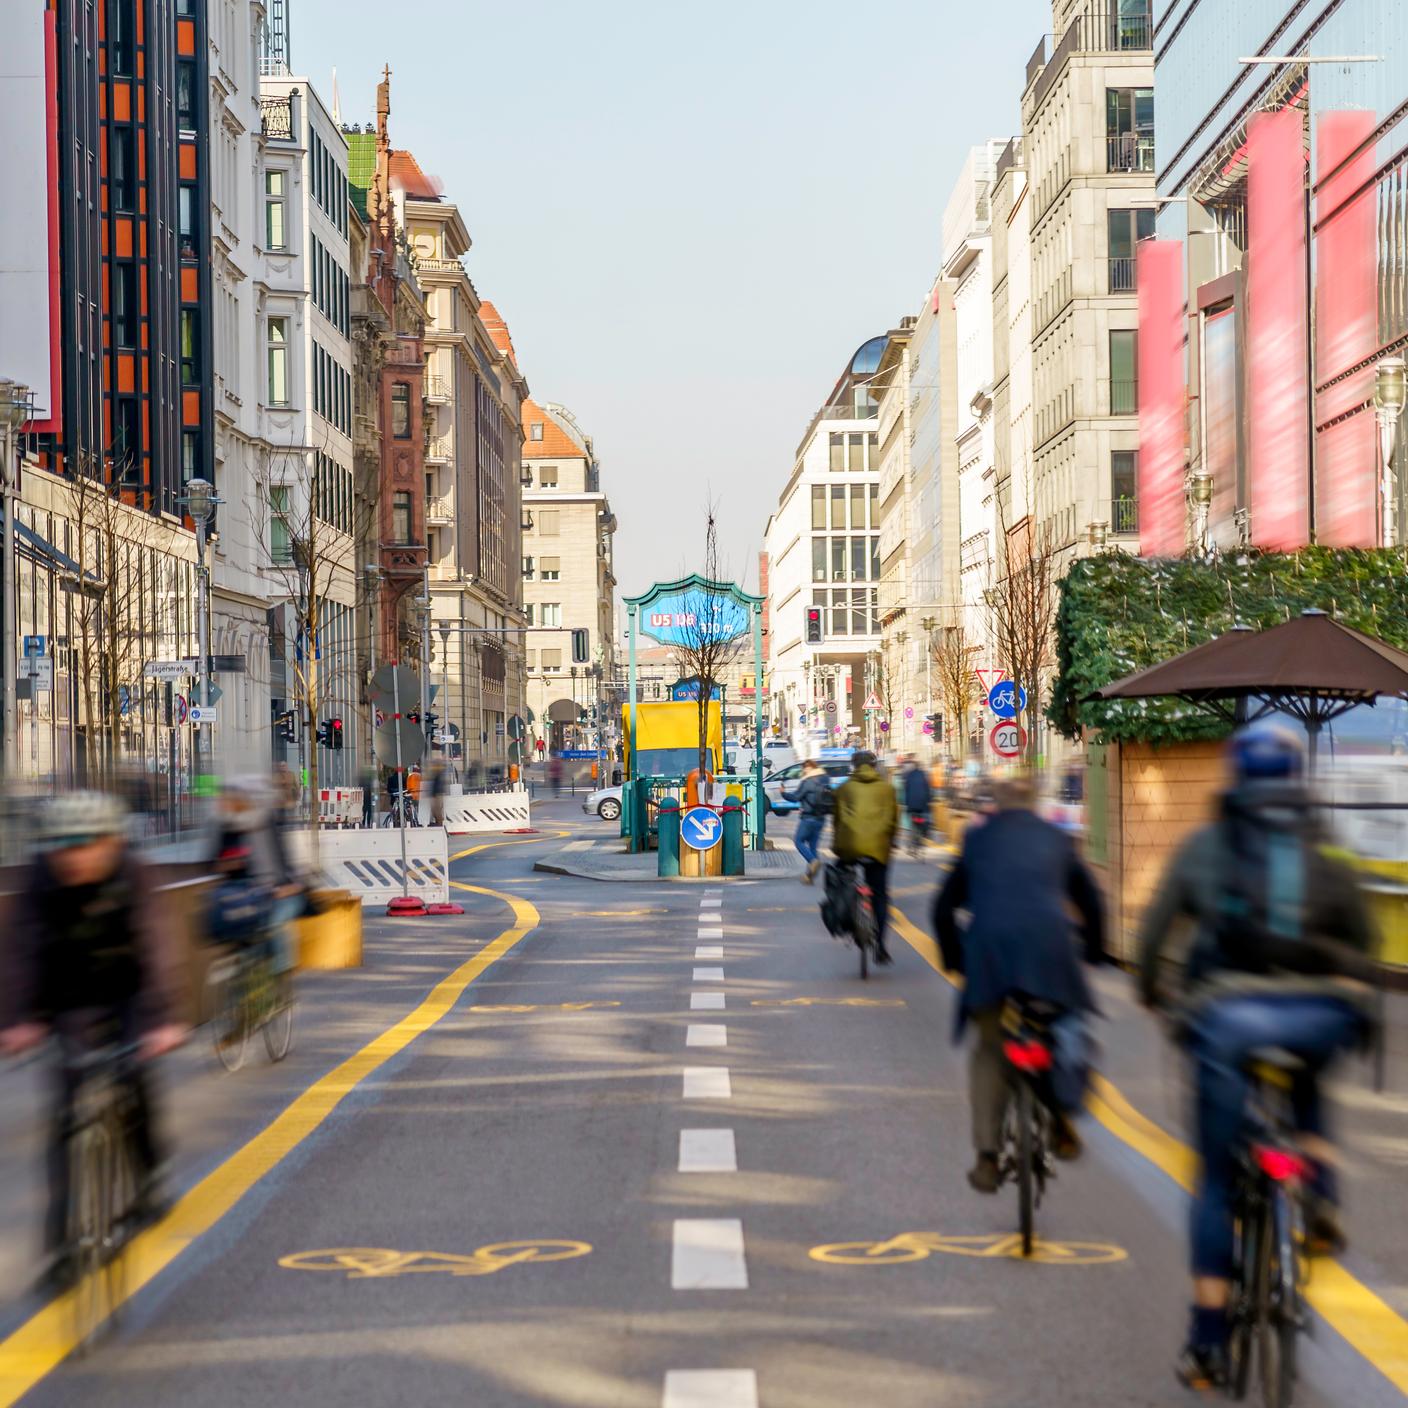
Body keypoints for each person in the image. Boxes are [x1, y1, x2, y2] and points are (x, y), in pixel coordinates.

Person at [1137, 719, 1377, 1391]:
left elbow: (1156, 934)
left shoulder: (1207, 845)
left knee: (1215, 1178)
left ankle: (1209, 1341)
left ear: (1236, 775)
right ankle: (1319, 1190)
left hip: (1230, 1019)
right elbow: (1362, 935)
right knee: (1307, 1078)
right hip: (1321, 1014)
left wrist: (1153, 991)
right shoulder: (1323, 842)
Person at [0, 791, 187, 1288]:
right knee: (65, 1117)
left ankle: (149, 1176)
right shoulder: (40, 879)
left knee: (133, 1077)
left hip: (126, 992)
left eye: (86, 845)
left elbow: (156, 949)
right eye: (63, 846)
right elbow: (18, 953)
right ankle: (62, 1249)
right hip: (66, 997)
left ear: (111, 844)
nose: (74, 857)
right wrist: (17, 1019)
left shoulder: (134, 874)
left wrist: (160, 1021)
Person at [932, 774, 1105, 1194]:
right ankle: (1063, 1121)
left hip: (989, 961)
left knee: (990, 1052)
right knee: (1063, 1032)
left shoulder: (978, 840)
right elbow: (1091, 902)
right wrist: (1093, 954)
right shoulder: (1056, 838)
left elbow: (943, 908)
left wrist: (957, 960)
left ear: (995, 805)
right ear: (1034, 804)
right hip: (1050, 958)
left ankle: (988, 1157)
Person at [212, 777, 303, 974]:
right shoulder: (227, 828)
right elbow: (215, 861)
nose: (224, 804)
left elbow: (281, 861)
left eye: (229, 800)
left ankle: (281, 971)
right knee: (226, 926)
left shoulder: (266, 824)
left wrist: (286, 885)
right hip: (244, 893)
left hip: (277, 890)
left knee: (273, 924)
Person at [832, 750, 900, 962]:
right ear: (874, 766)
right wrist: (891, 841)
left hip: (849, 847)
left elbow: (837, 820)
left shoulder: (844, 789)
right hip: (878, 849)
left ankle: (847, 922)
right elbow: (893, 820)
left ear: (854, 766)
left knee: (840, 882)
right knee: (880, 894)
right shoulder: (887, 789)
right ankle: (880, 945)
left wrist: (839, 844)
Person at [791, 759, 833, 883]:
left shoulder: (807, 781)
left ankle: (812, 862)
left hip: (808, 817)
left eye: (804, 768)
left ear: (808, 767)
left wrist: (783, 794)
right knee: (813, 846)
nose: (804, 770)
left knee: (798, 841)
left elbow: (796, 797)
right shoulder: (825, 778)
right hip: (821, 817)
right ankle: (809, 877)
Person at [902, 756, 933, 852]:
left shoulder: (909, 775)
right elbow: (928, 790)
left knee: (912, 820)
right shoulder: (924, 775)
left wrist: (906, 803)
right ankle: (922, 836)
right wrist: (929, 802)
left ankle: (912, 840)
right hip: (922, 804)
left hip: (911, 804)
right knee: (924, 818)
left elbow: (906, 790)